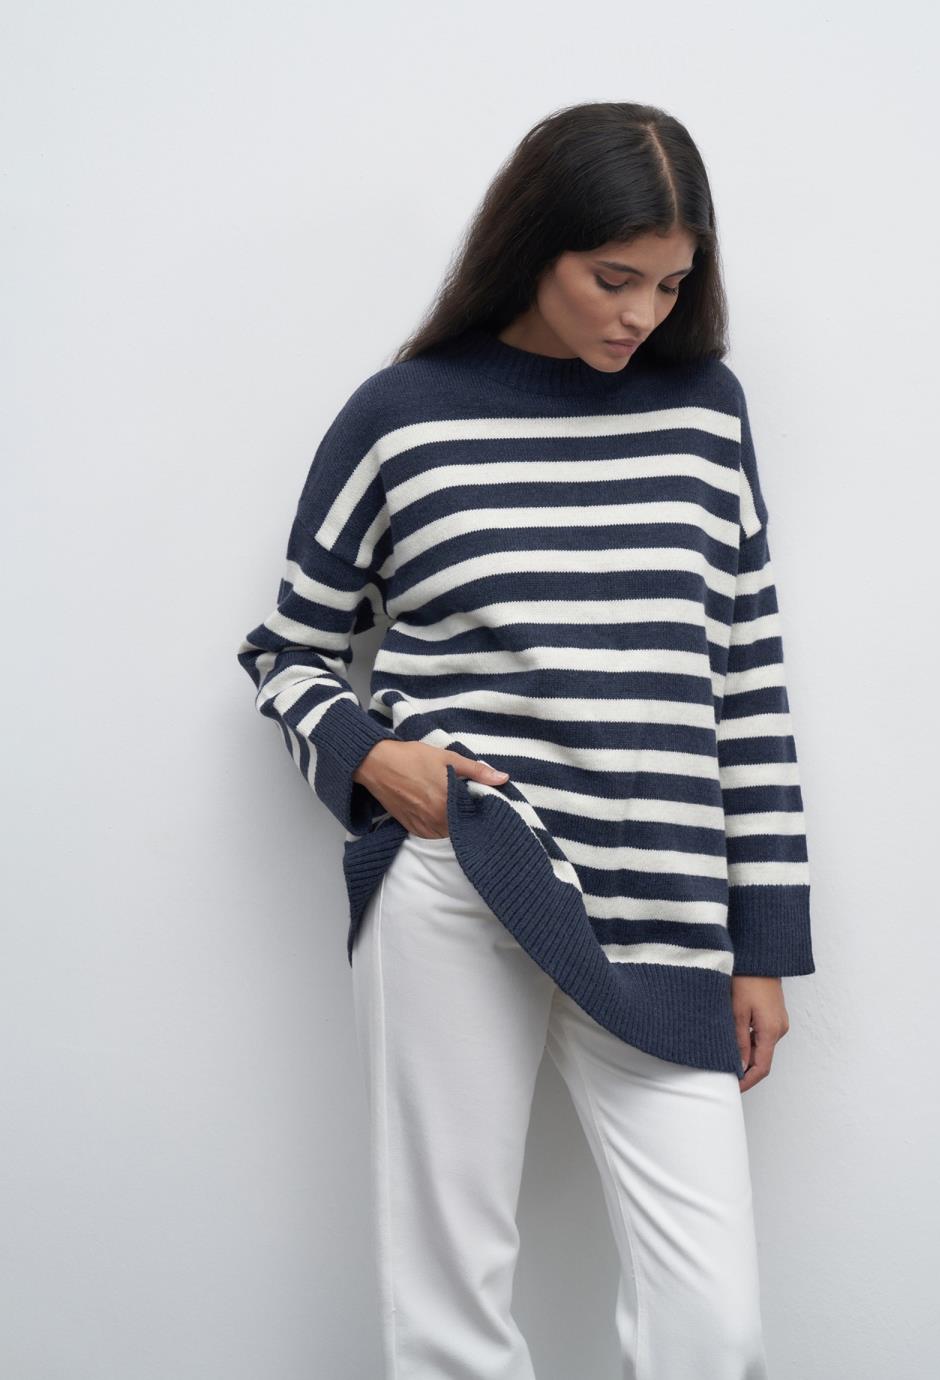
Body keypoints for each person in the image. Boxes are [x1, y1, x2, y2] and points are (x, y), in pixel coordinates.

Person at [236, 100, 815, 1380]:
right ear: (533, 243)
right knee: (449, 1308)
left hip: (662, 898)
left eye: (671, 284)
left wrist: (766, 942)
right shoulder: (400, 415)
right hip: (461, 871)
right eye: (613, 278)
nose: (641, 314)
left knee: (715, 1324)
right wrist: (375, 759)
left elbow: (745, 678)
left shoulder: (706, 412)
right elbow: (286, 653)